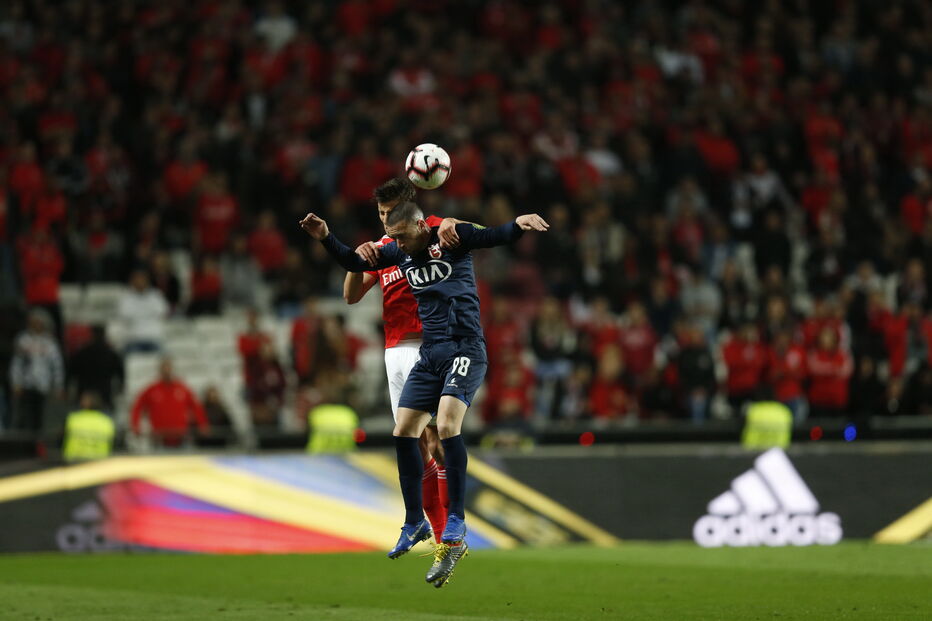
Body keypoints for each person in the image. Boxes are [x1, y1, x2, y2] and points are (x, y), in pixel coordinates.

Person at [301, 200, 548, 587]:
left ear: (416, 222)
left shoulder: (445, 233)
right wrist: (326, 237)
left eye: (395, 226)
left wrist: (517, 223)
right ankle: (416, 520)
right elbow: (352, 271)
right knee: (405, 434)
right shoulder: (394, 249)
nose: (392, 235)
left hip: (456, 347)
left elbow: (490, 235)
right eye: (385, 225)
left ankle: (455, 526)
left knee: (443, 430)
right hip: (418, 352)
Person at [342, 177, 460, 546]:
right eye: (381, 213)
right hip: (394, 353)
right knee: (417, 445)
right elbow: (350, 296)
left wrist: (453, 223)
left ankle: (452, 533)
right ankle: (438, 534)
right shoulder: (380, 250)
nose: (385, 219)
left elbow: (463, 231)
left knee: (437, 440)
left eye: (391, 212)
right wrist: (355, 261)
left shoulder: (432, 231)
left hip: (430, 347)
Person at [129, 358, 209, 447]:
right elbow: (137, 407)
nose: (166, 371)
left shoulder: (182, 388)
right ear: (160, 370)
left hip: (181, 436)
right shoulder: (152, 390)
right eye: (164, 369)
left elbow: (196, 406)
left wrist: (202, 424)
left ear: (172, 369)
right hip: (159, 438)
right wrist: (135, 426)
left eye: (168, 368)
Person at [9, 309, 64, 432]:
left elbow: (57, 365)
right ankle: (25, 439)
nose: (36, 325)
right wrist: (16, 382)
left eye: (38, 322)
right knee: (25, 414)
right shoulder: (23, 340)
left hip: (43, 384)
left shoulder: (50, 343)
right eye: (33, 322)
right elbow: (17, 363)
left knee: (40, 415)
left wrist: (58, 385)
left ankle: (38, 439)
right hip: (26, 383)